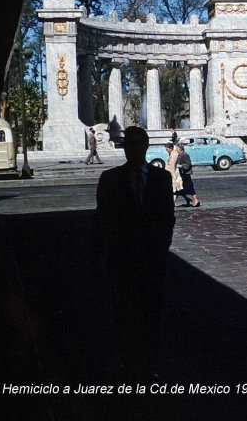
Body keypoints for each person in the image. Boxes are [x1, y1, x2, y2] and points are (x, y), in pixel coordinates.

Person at [93, 126, 175, 380]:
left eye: (139, 144)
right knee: (124, 313)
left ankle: (148, 364)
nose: (135, 148)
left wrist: (161, 249)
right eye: (130, 144)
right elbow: (101, 219)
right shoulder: (109, 178)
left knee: (151, 313)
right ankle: (127, 365)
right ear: (124, 147)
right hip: (122, 258)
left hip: (152, 259)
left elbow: (167, 218)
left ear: (147, 146)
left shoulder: (163, 179)